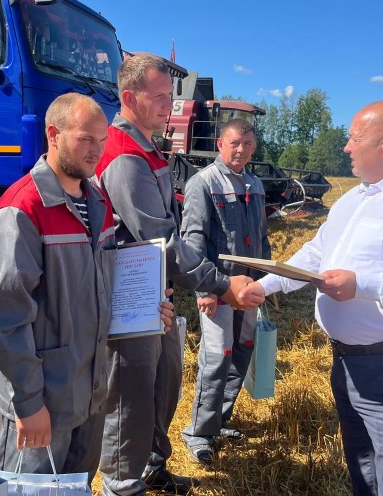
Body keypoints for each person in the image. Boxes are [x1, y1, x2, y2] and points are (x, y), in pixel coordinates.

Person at [238, 101, 383, 495]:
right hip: (348, 364)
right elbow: (316, 253)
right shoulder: (355, 199)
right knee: (365, 476)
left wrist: (364, 284)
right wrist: (265, 286)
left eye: (354, 138)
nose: (346, 147)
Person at [0, 93, 174, 480]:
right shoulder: (22, 210)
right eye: (86, 139)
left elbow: (105, 288)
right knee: (27, 489)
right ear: (53, 135)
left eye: (102, 140)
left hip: (90, 397)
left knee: (77, 486)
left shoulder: (98, 203)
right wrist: (28, 403)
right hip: (43, 403)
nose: (96, 150)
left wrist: (147, 311)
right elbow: (6, 320)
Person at [96, 54, 262, 496]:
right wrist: (221, 284)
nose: (169, 105)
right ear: (129, 97)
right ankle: (121, 484)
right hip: (130, 297)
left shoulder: (147, 148)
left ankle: (151, 467)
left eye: (170, 96)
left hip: (155, 293)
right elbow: (162, 239)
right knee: (131, 397)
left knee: (162, 386)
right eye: (159, 96)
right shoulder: (124, 155)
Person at [179, 118, 272, 466]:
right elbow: (193, 240)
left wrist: (267, 282)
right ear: (220, 144)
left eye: (247, 144)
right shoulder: (203, 183)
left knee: (241, 354)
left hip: (249, 290)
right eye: (234, 143)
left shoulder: (255, 184)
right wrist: (205, 289)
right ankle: (199, 433)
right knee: (217, 359)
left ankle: (219, 421)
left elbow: (262, 237)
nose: (240, 150)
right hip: (218, 289)